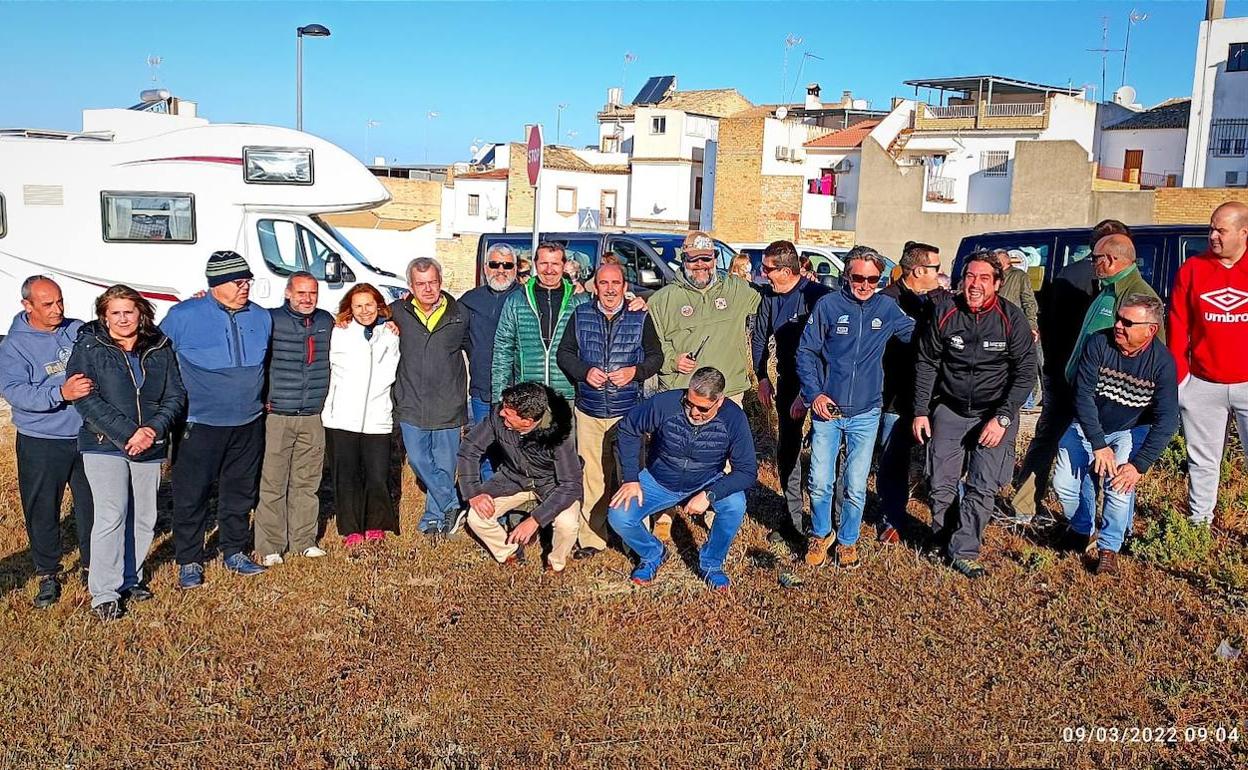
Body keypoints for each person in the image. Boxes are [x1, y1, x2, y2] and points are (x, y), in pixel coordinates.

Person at [912, 251, 1036, 579]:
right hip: (949, 409)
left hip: (993, 414)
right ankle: (943, 537)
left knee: (982, 485)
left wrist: (1004, 417)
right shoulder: (945, 312)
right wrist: (921, 411)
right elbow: (927, 363)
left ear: (998, 283)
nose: (975, 284)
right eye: (970, 277)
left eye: (984, 278)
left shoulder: (1012, 319)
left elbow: (1025, 372)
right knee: (940, 482)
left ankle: (965, 550)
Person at [65, 285, 185, 619]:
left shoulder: (159, 346)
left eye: (128, 312)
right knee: (111, 514)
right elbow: (85, 399)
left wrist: (152, 430)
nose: (122, 319)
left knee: (145, 516)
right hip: (104, 444)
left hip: (149, 443)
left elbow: (174, 395)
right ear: (104, 315)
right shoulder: (90, 346)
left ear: (140, 312)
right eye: (115, 313)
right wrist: (127, 433)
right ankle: (104, 592)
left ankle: (130, 578)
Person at [796, 246, 915, 569]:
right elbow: (806, 352)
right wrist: (814, 394)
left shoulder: (887, 309)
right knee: (820, 480)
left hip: (866, 411)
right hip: (828, 411)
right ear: (846, 276)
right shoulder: (829, 306)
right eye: (858, 277)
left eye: (872, 279)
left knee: (855, 484)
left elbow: (920, 338)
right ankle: (820, 534)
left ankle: (847, 540)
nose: (864, 285)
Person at [160, 251, 273, 589]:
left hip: (248, 422)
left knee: (240, 491)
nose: (246, 287)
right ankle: (189, 560)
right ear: (215, 285)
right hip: (199, 423)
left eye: (247, 280)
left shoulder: (261, 316)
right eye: (239, 282)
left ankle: (234, 550)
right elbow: (155, 357)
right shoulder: (183, 316)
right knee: (191, 495)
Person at [1011, 219, 1131, 519]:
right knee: (1102, 444)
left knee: (1048, 437)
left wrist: (1052, 368)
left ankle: (1024, 505)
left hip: (1060, 370)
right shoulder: (1113, 285)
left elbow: (1048, 324)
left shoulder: (1067, 274)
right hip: (1097, 378)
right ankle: (1096, 518)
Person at [1055, 294, 1178, 574]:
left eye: (1127, 322)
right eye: (1117, 319)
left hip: (1129, 430)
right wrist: (1098, 444)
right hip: (1088, 426)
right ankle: (1082, 528)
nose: (1118, 326)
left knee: (1119, 487)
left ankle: (1109, 547)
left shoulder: (1162, 363)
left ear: (1151, 330)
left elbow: (1168, 420)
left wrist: (1138, 465)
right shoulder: (1099, 343)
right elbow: (1082, 395)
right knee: (1064, 483)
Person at [607, 367, 758, 590]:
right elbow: (629, 428)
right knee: (619, 515)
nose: (694, 412)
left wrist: (709, 494)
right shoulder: (665, 404)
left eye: (703, 408)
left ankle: (711, 564)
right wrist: (631, 478)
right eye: (689, 403)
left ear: (719, 401)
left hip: (706, 480)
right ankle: (652, 554)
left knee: (735, 504)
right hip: (659, 479)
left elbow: (747, 471)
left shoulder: (734, 418)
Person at [556, 263, 663, 559]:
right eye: (604, 283)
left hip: (628, 412)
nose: (611, 289)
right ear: (595, 286)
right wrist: (583, 371)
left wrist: (635, 372)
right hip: (589, 410)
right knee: (593, 477)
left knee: (632, 477)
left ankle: (635, 540)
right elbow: (564, 354)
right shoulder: (581, 315)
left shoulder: (640, 316)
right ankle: (593, 538)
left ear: (625, 286)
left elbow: (656, 357)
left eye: (616, 282)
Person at [0, 276, 94, 607]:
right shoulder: (14, 346)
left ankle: (92, 566)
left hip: (85, 435)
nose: (57, 310)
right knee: (42, 510)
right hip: (42, 439)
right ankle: (47, 573)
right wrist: (60, 393)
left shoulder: (78, 329)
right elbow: (15, 391)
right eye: (47, 304)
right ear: (27, 306)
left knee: (91, 505)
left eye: (60, 302)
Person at [1169, 200, 1248, 527]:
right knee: (1202, 462)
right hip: (1202, 384)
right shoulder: (1193, 269)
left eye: (1221, 230)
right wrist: (1181, 380)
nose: (1213, 236)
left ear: (1243, 233)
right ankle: (1198, 528)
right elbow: (1177, 324)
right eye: (1211, 229)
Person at [751, 240, 831, 543]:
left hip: (823, 385)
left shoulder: (819, 297)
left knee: (826, 452)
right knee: (788, 450)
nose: (763, 273)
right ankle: (794, 519)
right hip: (787, 382)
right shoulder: (770, 298)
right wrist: (761, 376)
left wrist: (811, 392)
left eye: (768, 269)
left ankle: (827, 521)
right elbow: (760, 337)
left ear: (786, 270)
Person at [458, 382, 583, 573]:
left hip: (552, 484)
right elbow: (469, 448)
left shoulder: (560, 433)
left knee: (567, 524)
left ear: (527, 421)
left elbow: (571, 485)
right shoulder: (497, 416)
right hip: (513, 479)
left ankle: (555, 563)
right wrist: (473, 492)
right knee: (476, 517)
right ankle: (510, 552)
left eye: (508, 413)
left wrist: (534, 520)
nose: (501, 414)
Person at [255, 272, 333, 566]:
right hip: (278, 414)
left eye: (312, 293)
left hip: (312, 415)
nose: (307, 298)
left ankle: (303, 540)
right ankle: (271, 544)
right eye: (300, 293)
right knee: (273, 482)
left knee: (307, 482)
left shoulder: (326, 322)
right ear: (288, 293)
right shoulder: (270, 319)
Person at [391, 257, 471, 538]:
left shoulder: (459, 314)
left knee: (445, 465)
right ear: (410, 286)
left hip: (448, 401)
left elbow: (474, 350)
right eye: (420, 284)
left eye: (432, 282)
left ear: (441, 282)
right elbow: (364, 316)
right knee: (418, 459)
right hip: (411, 400)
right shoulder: (397, 312)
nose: (427, 289)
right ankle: (453, 503)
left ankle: (434, 520)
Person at [877, 241, 948, 543]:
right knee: (893, 459)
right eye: (936, 268)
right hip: (896, 397)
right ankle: (891, 518)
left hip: (938, 397)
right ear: (919, 270)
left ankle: (944, 525)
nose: (940, 273)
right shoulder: (885, 301)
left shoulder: (941, 301)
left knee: (941, 462)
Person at [322, 283, 401, 546]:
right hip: (342, 417)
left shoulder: (390, 334)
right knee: (347, 475)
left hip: (378, 416)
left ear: (378, 306)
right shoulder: (338, 333)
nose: (364, 311)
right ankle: (352, 527)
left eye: (369, 305)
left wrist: (391, 326)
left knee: (377, 474)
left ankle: (376, 523)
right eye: (358, 306)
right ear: (349, 308)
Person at [492, 242, 590, 405]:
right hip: (527, 397)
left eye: (555, 264)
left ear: (564, 265)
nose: (549, 270)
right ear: (535, 264)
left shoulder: (579, 300)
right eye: (544, 263)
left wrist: (631, 301)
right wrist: (499, 398)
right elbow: (503, 351)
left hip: (567, 397)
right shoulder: (517, 300)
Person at [459, 244, 521, 480]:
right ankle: (489, 509)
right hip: (482, 391)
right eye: (495, 264)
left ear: (516, 268)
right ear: (486, 268)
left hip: (515, 393)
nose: (501, 270)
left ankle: (511, 505)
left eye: (507, 265)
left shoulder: (525, 298)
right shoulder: (470, 300)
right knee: (484, 451)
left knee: (512, 452)